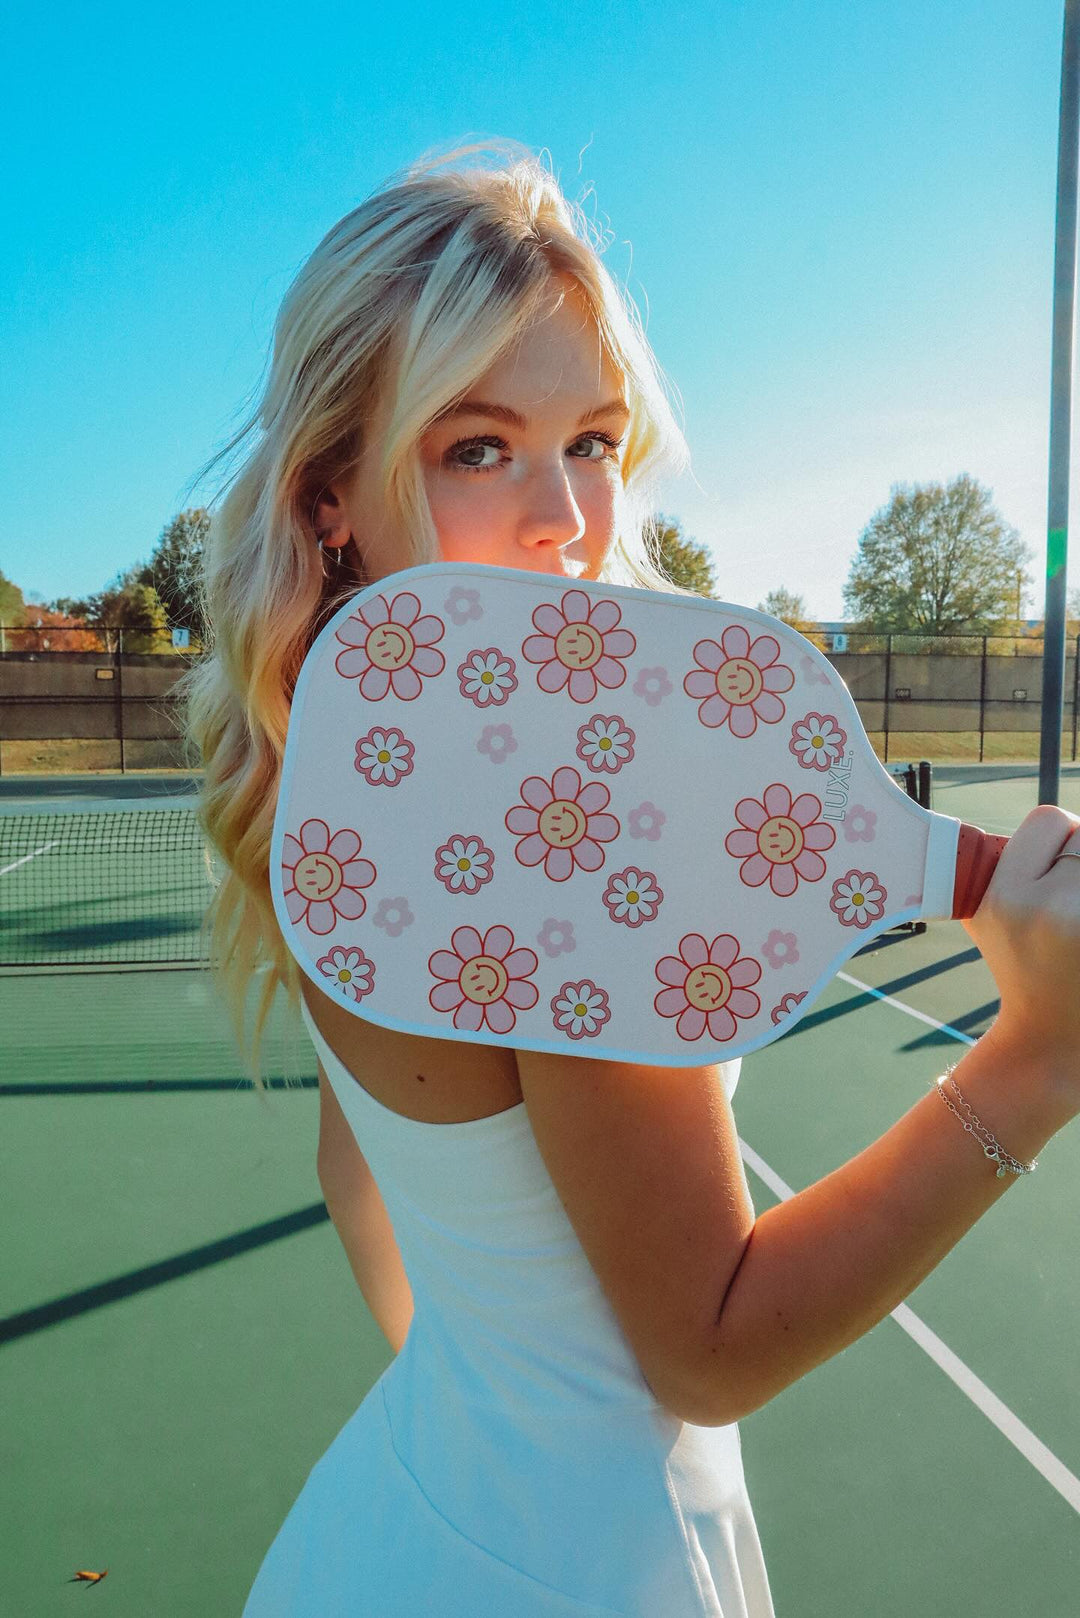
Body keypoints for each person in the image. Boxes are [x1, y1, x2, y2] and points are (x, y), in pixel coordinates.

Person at [180, 140, 1080, 1616]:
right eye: (478, 448)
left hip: (402, 1518)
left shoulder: (336, 792)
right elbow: (709, 1345)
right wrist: (1039, 1059)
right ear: (331, 495)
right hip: (595, 1566)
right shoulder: (567, 823)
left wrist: (499, 1396)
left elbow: (356, 1176)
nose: (568, 518)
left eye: (592, 440)